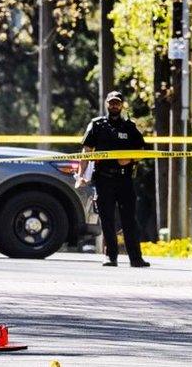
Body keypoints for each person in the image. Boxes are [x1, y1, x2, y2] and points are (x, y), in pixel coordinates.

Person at [75, 90, 151, 268]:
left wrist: (130, 159)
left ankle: (136, 258)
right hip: (103, 179)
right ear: (107, 104)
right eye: (111, 102)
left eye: (117, 102)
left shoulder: (130, 127)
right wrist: (80, 175)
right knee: (107, 219)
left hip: (124, 180)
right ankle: (111, 257)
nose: (114, 105)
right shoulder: (97, 125)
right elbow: (86, 152)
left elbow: (142, 151)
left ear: (122, 105)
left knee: (129, 219)